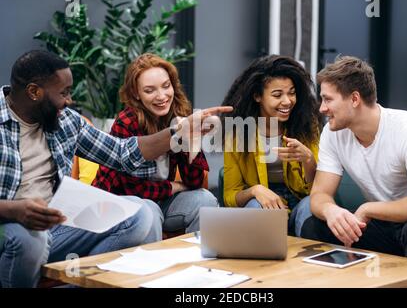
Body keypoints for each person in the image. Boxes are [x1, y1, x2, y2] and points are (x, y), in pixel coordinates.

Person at [0, 50, 231, 287]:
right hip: (10, 228)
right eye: (63, 93)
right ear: (34, 92)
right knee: (29, 240)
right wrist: (14, 211)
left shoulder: (67, 121)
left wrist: (178, 133)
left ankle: (90, 282)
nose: (69, 101)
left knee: (139, 214)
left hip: (58, 226)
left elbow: (121, 153)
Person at [301, 56, 407, 264]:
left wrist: (368, 209)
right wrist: (331, 211)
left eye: (328, 99)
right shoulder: (333, 133)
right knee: (315, 226)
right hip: (386, 222)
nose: (322, 108)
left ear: (354, 99)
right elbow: (319, 195)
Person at [93, 53, 218, 234]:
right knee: (148, 210)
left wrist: (191, 143)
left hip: (161, 200)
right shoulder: (126, 122)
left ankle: (195, 259)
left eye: (166, 86)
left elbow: (195, 181)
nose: (162, 96)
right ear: (136, 93)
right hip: (121, 204)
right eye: (150, 90)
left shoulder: (179, 114)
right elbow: (132, 189)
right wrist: (173, 187)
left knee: (205, 200)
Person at [221, 55, 322, 236]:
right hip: (263, 203)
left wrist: (308, 159)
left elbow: (319, 187)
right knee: (254, 205)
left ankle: (309, 261)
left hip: (300, 201)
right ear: (257, 96)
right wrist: (255, 191)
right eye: (277, 95)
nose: (287, 101)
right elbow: (230, 196)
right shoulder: (237, 133)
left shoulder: (307, 124)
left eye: (292, 93)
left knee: (312, 204)